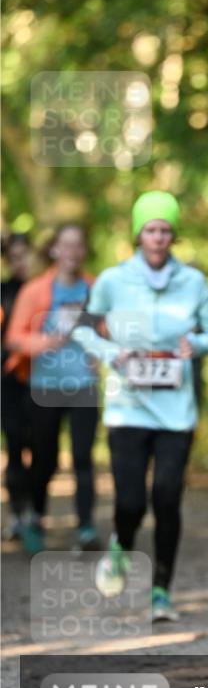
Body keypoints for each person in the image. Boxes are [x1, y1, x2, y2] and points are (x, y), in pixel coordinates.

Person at [74, 191, 208, 622]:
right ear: (138, 234)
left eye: (165, 230)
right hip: (128, 407)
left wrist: (195, 344)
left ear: (173, 235)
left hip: (176, 411)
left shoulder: (192, 282)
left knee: (166, 497)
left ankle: (161, 591)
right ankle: (121, 546)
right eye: (150, 230)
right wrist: (112, 353)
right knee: (130, 503)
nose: (158, 237)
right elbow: (83, 330)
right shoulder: (113, 280)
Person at [5, 224, 100, 555]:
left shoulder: (94, 288)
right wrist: (43, 341)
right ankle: (36, 517)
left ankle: (86, 527)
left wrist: (100, 350)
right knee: (45, 459)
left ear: (84, 250)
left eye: (78, 245)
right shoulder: (35, 290)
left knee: (83, 457)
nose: (72, 252)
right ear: (54, 250)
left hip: (83, 384)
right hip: (45, 386)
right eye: (66, 245)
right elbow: (14, 337)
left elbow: (107, 330)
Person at [1, 233, 33, 540]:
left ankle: (34, 509)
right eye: (14, 257)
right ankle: (18, 514)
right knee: (15, 445)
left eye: (25, 255)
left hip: (44, 382)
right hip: (9, 383)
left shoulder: (45, 289)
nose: (20, 262)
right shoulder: (4, 292)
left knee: (42, 448)